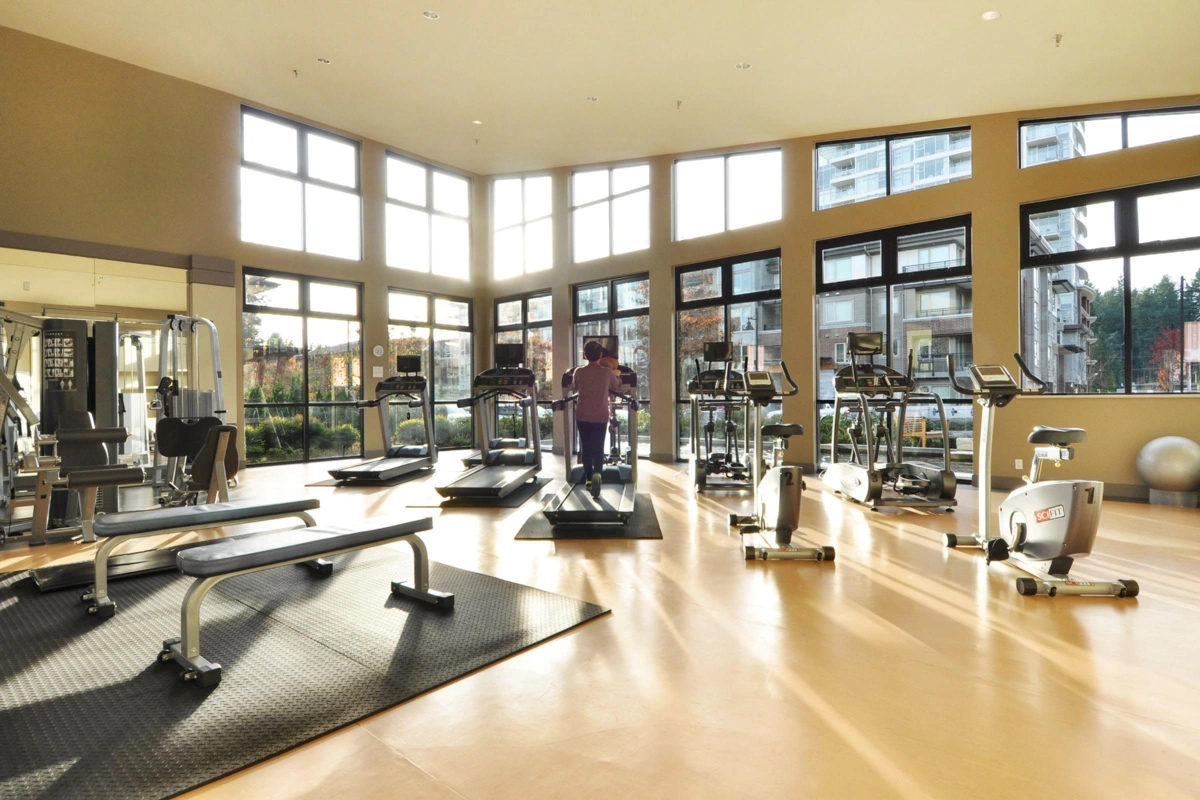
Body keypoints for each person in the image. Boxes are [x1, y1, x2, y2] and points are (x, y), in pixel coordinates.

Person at [570, 340, 623, 498]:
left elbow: (574, 386)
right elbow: (617, 385)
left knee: (586, 447)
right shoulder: (607, 372)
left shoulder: (578, 371)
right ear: (601, 355)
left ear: (585, 355)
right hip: (600, 416)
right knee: (598, 447)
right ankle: (597, 475)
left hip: (582, 415)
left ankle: (588, 479)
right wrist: (617, 375)